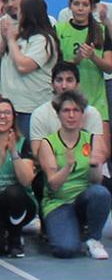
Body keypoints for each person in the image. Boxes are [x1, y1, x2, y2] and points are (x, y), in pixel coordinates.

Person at [38, 90, 111, 259]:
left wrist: (94, 164)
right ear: (58, 114)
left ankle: (94, 239)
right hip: (58, 202)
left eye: (76, 110)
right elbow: (53, 185)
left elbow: (96, 181)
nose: (71, 115)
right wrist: (68, 166)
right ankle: (70, 229)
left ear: (82, 114)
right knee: (66, 250)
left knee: (101, 193)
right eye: (66, 111)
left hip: (83, 199)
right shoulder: (48, 143)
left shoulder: (92, 139)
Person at [0, 0, 59, 135]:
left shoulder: (43, 39)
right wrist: (5, 40)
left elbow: (24, 66)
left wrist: (11, 40)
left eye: (20, 10)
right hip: (10, 106)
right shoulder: (18, 37)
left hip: (32, 108)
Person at [0, 98, 36, 258]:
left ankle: (15, 237)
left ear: (13, 118)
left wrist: (13, 153)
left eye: (7, 113)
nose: (2, 116)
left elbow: (26, 181)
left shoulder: (23, 143)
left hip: (20, 203)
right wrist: (0, 159)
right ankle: (3, 233)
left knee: (14, 193)